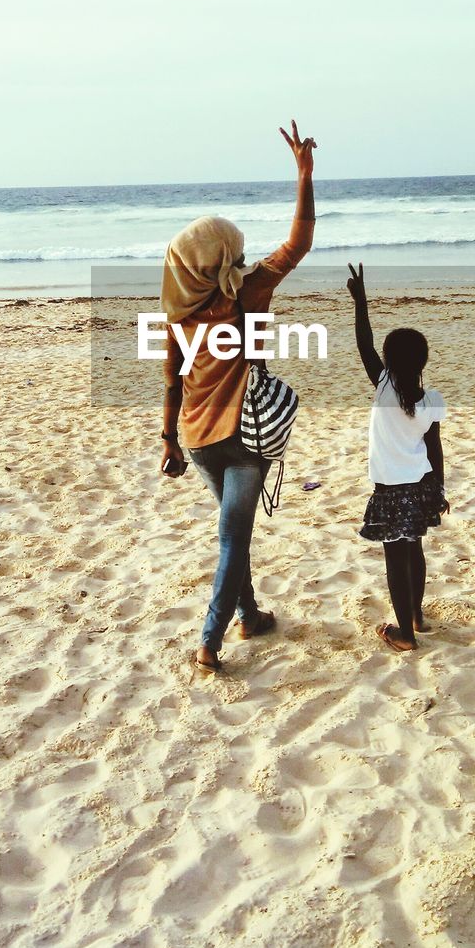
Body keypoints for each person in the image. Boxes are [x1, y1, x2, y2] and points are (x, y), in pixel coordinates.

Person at [160, 122, 317, 673]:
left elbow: (172, 378)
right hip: (246, 434)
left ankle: (250, 614)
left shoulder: (178, 313)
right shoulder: (250, 289)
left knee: (234, 533)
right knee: (233, 540)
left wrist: (168, 440)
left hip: (198, 439)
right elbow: (298, 243)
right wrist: (303, 176)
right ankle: (210, 639)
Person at [345, 262, 450, 653]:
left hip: (390, 489)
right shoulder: (431, 400)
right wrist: (439, 487)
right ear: (421, 363)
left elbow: (363, 344)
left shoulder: (385, 386)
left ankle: (404, 633)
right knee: (415, 551)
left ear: (388, 362)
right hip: (421, 486)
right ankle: (417, 616)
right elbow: (435, 447)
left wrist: (361, 302)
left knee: (396, 560)